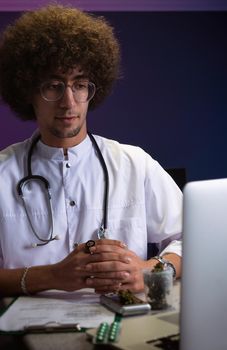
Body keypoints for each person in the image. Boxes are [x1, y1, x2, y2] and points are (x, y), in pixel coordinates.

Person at [0, 4, 182, 297]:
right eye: (53, 86)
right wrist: (52, 276)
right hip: (23, 337)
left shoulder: (135, 164)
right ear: (27, 91)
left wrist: (151, 272)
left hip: (122, 328)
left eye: (80, 84)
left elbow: (193, 239)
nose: (68, 102)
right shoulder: (2, 172)